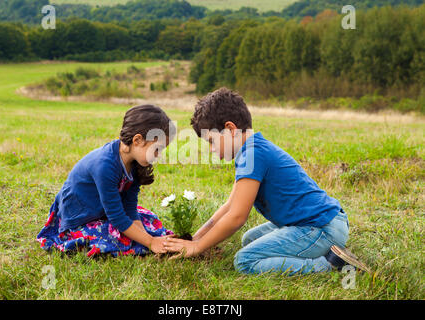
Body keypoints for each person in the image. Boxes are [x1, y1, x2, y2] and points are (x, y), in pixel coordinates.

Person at [163, 88, 370, 275]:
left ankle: (331, 264)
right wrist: (196, 240)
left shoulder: (253, 155)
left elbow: (236, 217)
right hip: (321, 224)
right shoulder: (251, 151)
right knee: (249, 240)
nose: (211, 149)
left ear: (230, 129)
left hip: (321, 228)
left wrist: (197, 248)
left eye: (211, 141)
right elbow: (229, 206)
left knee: (245, 260)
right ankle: (327, 250)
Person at [36, 104, 176, 257]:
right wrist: (149, 242)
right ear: (137, 140)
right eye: (157, 149)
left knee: (148, 220)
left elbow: (129, 207)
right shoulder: (105, 165)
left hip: (103, 212)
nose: (159, 155)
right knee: (114, 236)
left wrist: (147, 237)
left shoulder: (135, 164)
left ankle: (143, 239)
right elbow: (117, 217)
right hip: (81, 218)